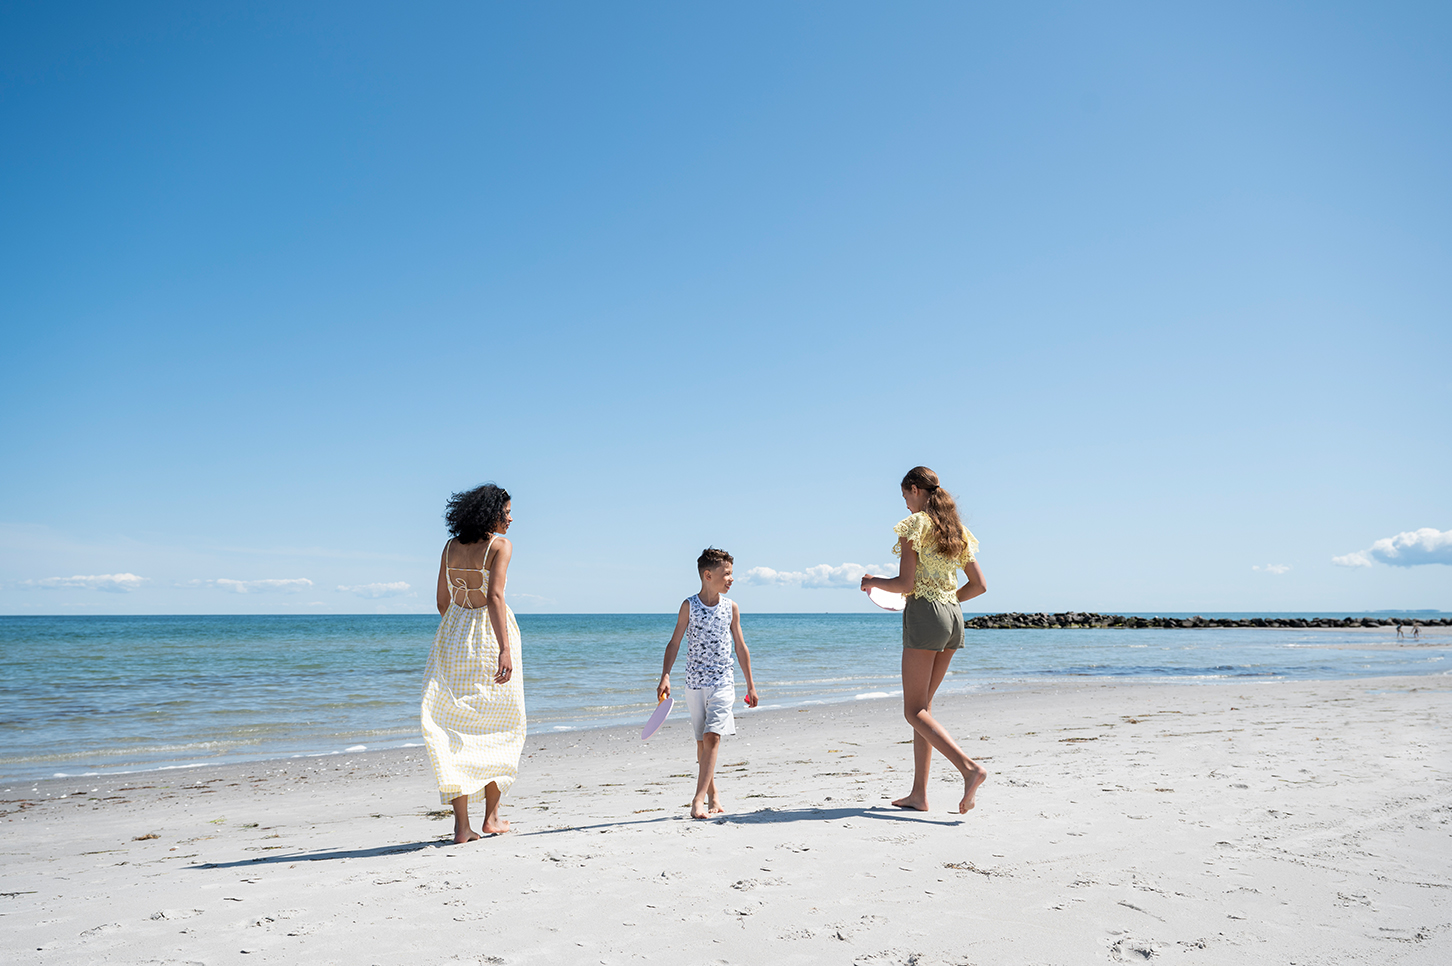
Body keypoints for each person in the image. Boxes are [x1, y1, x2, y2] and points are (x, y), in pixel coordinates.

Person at [861, 466, 989, 814]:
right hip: (953, 617)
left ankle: (970, 769)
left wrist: (872, 581)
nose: (905, 503)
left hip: (926, 615)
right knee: (925, 710)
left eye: (905, 495)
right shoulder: (955, 529)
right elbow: (979, 585)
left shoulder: (914, 525)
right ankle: (919, 794)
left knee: (913, 710)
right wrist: (945, 601)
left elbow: (905, 584)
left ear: (915, 489)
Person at [420, 483, 525, 843]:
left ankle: (461, 826)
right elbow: (495, 596)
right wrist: (504, 649)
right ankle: (491, 818)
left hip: (452, 634)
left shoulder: (450, 547)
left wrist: (458, 629)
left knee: (453, 726)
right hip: (489, 634)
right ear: (490, 514)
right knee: (504, 723)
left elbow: (442, 601)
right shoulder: (500, 546)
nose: (510, 519)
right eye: (506, 512)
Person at [657, 547, 760, 819]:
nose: (731, 578)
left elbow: (740, 646)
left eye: (731, 573)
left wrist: (750, 684)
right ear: (707, 575)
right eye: (726, 574)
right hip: (694, 683)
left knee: (713, 736)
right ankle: (713, 794)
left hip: (723, 681)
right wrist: (665, 674)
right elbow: (674, 642)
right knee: (702, 743)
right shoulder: (689, 606)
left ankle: (697, 800)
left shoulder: (731, 607)